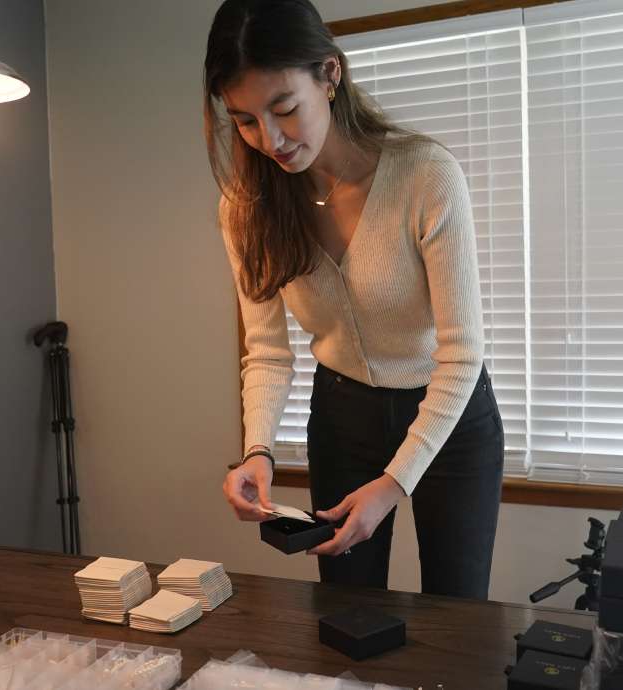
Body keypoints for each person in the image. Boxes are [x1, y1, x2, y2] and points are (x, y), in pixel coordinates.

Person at [204, 0, 504, 599]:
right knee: (346, 611)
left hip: (449, 417)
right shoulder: (246, 208)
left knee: (456, 617)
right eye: (245, 120)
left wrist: (393, 483)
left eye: (284, 108)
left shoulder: (424, 177)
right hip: (344, 419)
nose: (271, 139)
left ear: (330, 75)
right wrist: (256, 451)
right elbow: (266, 351)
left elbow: (461, 356)